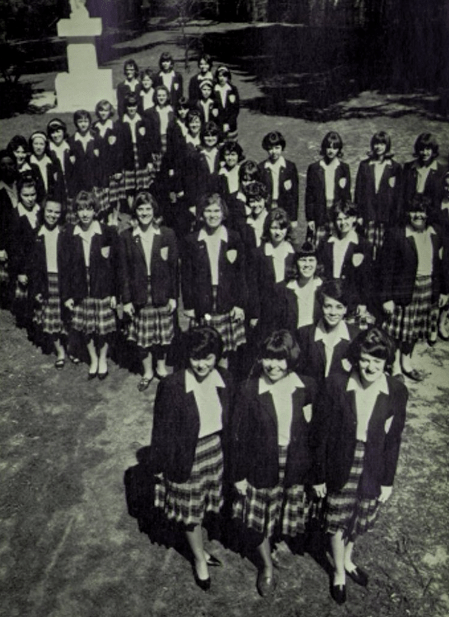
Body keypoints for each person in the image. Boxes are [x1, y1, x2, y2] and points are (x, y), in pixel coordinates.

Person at [314, 327, 407, 605]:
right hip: (342, 460)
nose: (370, 367)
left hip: (373, 462)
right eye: (365, 360)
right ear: (356, 358)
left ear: (386, 362)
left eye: (377, 362)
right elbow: (320, 434)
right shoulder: (336, 384)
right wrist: (318, 475)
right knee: (337, 518)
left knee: (358, 516)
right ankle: (339, 572)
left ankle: (348, 558)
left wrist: (387, 480)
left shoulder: (396, 391)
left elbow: (393, 440)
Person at [232, 330, 319, 597]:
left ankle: (276, 544)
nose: (273, 365)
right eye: (268, 358)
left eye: (280, 359)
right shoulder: (249, 389)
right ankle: (266, 567)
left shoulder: (306, 386)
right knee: (261, 517)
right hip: (261, 463)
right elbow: (238, 436)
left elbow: (313, 431)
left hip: (294, 461)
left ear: (291, 359)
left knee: (281, 509)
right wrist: (239, 475)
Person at [150, 326, 234, 590]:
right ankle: (199, 558)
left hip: (217, 451)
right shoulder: (172, 386)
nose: (202, 364)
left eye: (208, 357)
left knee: (209, 503)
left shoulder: (225, 378)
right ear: (187, 356)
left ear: (217, 356)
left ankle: (204, 545)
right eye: (196, 357)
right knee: (191, 513)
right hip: (186, 456)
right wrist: (160, 466)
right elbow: (161, 430)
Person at [379, 195, 449, 380]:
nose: (418, 215)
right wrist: (387, 298)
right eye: (414, 211)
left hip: (427, 288)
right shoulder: (397, 234)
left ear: (428, 213)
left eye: (422, 211)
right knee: (398, 332)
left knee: (415, 331)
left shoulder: (435, 233)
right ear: (408, 213)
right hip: (404, 290)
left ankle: (406, 363)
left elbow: (442, 265)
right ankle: (395, 367)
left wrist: (444, 291)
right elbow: (386, 269)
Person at [119, 192, 178, 391]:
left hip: (161, 292)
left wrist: (173, 297)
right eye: (140, 209)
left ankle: (161, 367)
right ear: (135, 212)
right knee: (143, 337)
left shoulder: (167, 234)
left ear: (154, 211)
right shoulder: (126, 237)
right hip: (139, 294)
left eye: (148, 209)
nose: (144, 213)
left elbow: (173, 269)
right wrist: (126, 300)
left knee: (161, 334)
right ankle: (147, 371)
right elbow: (123, 271)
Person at [182, 193, 247, 367]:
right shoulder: (192, 240)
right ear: (201, 214)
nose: (213, 215)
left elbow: (241, 274)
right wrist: (189, 305)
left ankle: (223, 377)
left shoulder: (233, 237)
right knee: (204, 343)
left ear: (223, 213)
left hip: (226, 297)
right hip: (202, 298)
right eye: (208, 211)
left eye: (217, 211)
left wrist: (239, 304)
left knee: (224, 347)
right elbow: (187, 276)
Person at [61, 191, 118, 380]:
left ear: (95, 210)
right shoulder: (70, 234)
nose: (84, 214)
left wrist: (114, 293)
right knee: (86, 327)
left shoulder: (107, 232)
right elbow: (65, 267)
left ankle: (102, 358)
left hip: (102, 286)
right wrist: (67, 295)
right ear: (76, 212)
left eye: (88, 209)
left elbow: (115, 266)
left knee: (103, 327)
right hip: (80, 286)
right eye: (80, 209)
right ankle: (93, 358)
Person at [296, 279, 359, 388]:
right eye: (328, 306)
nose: (333, 312)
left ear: (345, 309)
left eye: (339, 307)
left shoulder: (355, 336)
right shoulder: (304, 334)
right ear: (321, 306)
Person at [317, 200, 373, 322]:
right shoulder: (326, 242)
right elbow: (321, 270)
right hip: (329, 296)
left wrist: (363, 302)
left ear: (354, 218)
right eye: (339, 219)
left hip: (352, 300)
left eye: (346, 218)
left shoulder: (363, 244)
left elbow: (366, 277)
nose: (343, 223)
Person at [248, 208, 297, 342]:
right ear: (267, 229)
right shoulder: (258, 254)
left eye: (282, 228)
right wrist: (254, 314)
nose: (278, 232)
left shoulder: (294, 253)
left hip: (289, 309)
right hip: (266, 310)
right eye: (274, 228)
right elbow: (253, 286)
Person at [30, 199, 68, 368]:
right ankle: (60, 351)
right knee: (52, 318)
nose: (53, 215)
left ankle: (72, 347)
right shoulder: (37, 234)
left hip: (64, 280)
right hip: (47, 280)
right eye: (49, 211)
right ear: (43, 211)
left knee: (66, 316)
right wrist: (36, 289)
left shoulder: (65, 233)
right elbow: (33, 265)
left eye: (57, 212)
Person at [354, 131, 402, 259]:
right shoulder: (365, 165)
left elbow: (398, 196)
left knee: (384, 251)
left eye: (382, 144)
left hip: (386, 217)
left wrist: (396, 218)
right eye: (376, 143)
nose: (378, 147)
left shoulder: (395, 167)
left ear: (387, 145)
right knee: (367, 248)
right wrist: (359, 214)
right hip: (368, 215)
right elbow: (358, 192)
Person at [305, 131, 351, 245]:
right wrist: (310, 218)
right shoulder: (314, 168)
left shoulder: (344, 168)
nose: (331, 151)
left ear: (339, 149)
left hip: (337, 212)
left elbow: (347, 195)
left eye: (335, 148)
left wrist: (347, 216)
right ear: (324, 148)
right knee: (319, 243)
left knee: (337, 243)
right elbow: (309, 196)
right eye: (328, 147)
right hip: (320, 212)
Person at [8, 174, 41, 330]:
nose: (30, 199)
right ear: (19, 195)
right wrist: (20, 271)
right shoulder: (15, 215)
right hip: (24, 263)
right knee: (25, 295)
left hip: (39, 261)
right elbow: (14, 247)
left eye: (33, 194)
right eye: (26, 195)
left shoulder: (41, 211)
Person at [118, 93, 156, 210]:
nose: (131, 108)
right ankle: (132, 211)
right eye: (129, 106)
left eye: (134, 106)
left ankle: (142, 207)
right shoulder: (120, 123)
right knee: (130, 187)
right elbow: (119, 146)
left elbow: (148, 143)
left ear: (137, 106)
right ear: (125, 107)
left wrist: (149, 161)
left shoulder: (144, 121)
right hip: (128, 156)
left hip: (141, 155)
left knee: (142, 185)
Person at [402, 133, 447, 225]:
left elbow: (440, 198)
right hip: (411, 214)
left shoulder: (441, 171)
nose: (424, 153)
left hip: (432, 216)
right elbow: (402, 194)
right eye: (421, 149)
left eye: (428, 149)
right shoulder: (408, 167)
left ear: (433, 150)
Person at [92, 100, 124, 222]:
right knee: (102, 193)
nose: (103, 113)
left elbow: (120, 150)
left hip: (113, 166)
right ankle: (103, 216)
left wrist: (119, 170)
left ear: (110, 111)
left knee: (114, 195)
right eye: (101, 110)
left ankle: (114, 218)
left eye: (106, 110)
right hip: (99, 167)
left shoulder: (116, 127)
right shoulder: (94, 127)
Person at [258, 131, 299, 224]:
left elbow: (294, 195)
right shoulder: (261, 168)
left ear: (282, 147)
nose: (274, 152)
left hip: (284, 208)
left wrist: (294, 218)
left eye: (277, 148)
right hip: (267, 209)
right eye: (270, 148)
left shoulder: (290, 167)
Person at [284, 241, 323, 332]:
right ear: (296, 263)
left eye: (311, 260)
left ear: (317, 263)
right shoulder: (284, 289)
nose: (307, 264)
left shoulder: (324, 288)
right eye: (303, 260)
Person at [67, 110, 97, 200]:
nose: (83, 124)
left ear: (89, 122)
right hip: (78, 181)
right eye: (80, 121)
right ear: (76, 123)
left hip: (94, 179)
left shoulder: (95, 137)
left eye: (86, 121)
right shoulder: (71, 141)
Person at [28, 131, 64, 205]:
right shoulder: (28, 162)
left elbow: (60, 185)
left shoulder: (53, 162)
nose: (38, 147)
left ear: (45, 145)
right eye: (36, 144)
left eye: (41, 144)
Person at [213, 65, 240, 141]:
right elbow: (214, 107)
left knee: (231, 145)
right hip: (218, 125)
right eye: (220, 76)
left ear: (228, 77)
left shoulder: (233, 89)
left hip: (231, 126)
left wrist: (228, 123)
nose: (222, 78)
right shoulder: (214, 90)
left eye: (224, 76)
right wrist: (221, 124)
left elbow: (236, 109)